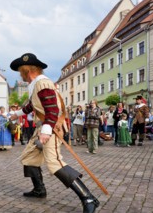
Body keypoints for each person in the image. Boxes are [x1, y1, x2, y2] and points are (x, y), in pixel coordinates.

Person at [9, 53, 99, 213]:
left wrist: (46, 131)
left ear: (27, 71)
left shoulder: (42, 84)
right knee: (29, 158)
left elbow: (52, 109)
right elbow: (33, 105)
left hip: (52, 127)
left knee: (54, 162)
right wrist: (18, 114)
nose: (21, 76)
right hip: (44, 126)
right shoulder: (37, 85)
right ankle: (39, 190)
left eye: (21, 72)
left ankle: (88, 197)